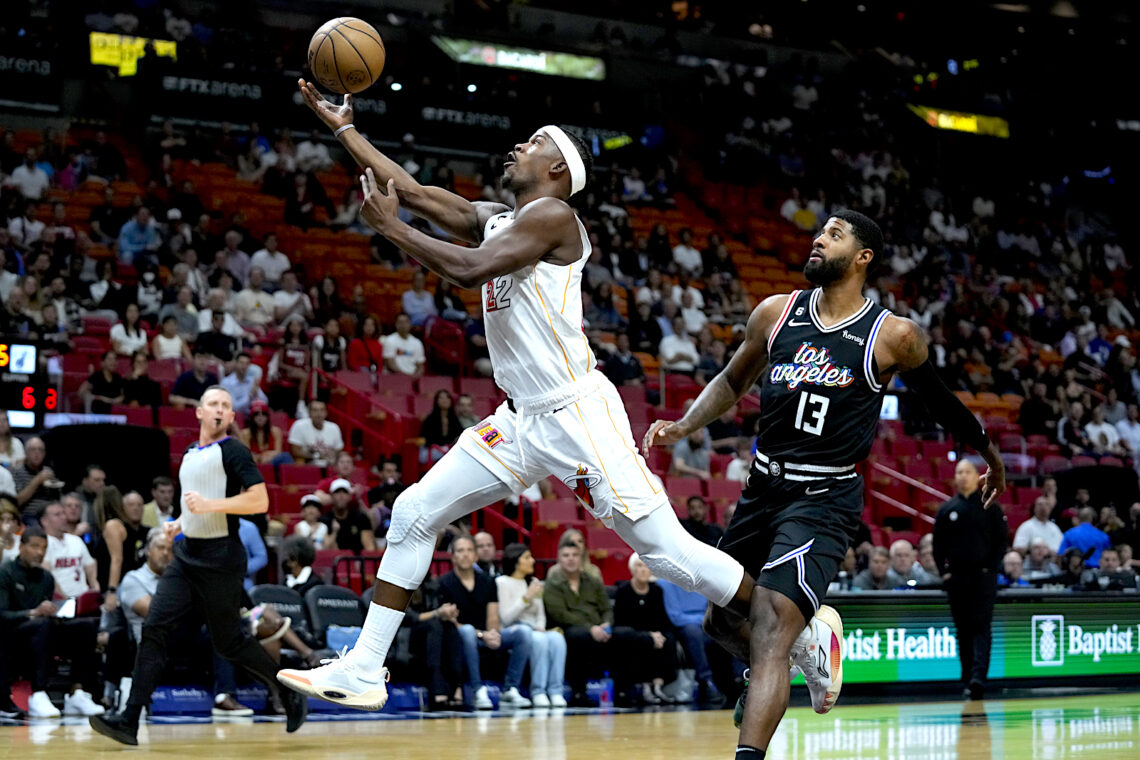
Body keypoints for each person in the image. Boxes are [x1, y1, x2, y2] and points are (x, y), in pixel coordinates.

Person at [278, 83, 753, 712]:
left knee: (667, 553)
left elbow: (470, 268)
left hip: (577, 411)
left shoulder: (556, 218)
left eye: (531, 144)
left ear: (557, 168)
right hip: (523, 418)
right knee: (415, 511)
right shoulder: (501, 218)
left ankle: (796, 623)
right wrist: (345, 131)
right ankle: (365, 667)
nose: (516, 148)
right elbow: (415, 192)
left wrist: (392, 230)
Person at [643, 210, 1005, 752]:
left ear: (863, 258)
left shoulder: (892, 335)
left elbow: (940, 400)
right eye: (820, 231)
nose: (818, 239)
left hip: (824, 496)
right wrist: (685, 424)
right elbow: (732, 379)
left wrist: (989, 454)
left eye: (834, 235)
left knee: (767, 626)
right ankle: (808, 645)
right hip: (763, 487)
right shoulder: (775, 313)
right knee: (720, 622)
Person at [89, 387, 307, 745]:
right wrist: (178, 523)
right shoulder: (190, 453)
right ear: (199, 413)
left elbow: (259, 498)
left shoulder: (234, 450)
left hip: (221, 559)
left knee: (230, 643)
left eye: (226, 405)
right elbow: (192, 506)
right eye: (213, 404)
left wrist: (211, 507)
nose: (220, 409)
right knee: (154, 628)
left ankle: (287, 689)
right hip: (187, 556)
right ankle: (129, 718)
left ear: (232, 418)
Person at [1, 527, 105, 720]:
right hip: (11, 634)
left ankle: (77, 693)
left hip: (43, 630)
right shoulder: (5, 572)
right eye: (34, 547)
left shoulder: (47, 578)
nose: (40, 552)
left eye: (44, 548)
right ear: (21, 547)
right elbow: (2, 614)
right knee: (42, 625)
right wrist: (33, 613)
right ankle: (38, 694)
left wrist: (57, 612)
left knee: (86, 626)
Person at [933, 460, 1008, 701]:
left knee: (981, 626)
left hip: (983, 579)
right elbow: (937, 547)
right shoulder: (947, 509)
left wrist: (991, 569)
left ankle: (978, 679)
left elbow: (1001, 542)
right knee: (963, 630)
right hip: (957, 579)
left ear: (978, 476)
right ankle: (967, 678)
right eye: (959, 472)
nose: (963, 476)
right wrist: (943, 572)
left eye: (967, 472)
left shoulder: (990, 507)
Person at [437, 535, 532, 709]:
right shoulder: (443, 583)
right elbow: (454, 623)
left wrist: (493, 633)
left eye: (469, 550)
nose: (465, 555)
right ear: (453, 556)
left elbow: (493, 616)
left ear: (475, 556)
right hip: (462, 637)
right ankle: (477, 690)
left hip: (485, 635)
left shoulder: (488, 582)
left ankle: (510, 689)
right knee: (466, 631)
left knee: (523, 632)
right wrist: (481, 634)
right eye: (460, 551)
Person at [495, 543, 567, 707]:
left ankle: (556, 690)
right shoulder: (502, 582)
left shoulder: (534, 582)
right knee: (538, 639)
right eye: (527, 557)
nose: (532, 561)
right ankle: (538, 691)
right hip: (515, 630)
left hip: (535, 628)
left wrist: (541, 626)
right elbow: (506, 617)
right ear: (515, 561)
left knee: (557, 638)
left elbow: (540, 613)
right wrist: (526, 598)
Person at [614, 554, 678, 706]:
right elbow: (621, 622)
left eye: (646, 566)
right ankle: (645, 686)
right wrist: (648, 635)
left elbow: (662, 618)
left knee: (668, 638)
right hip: (632, 634)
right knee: (644, 640)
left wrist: (659, 636)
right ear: (632, 569)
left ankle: (658, 686)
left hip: (654, 632)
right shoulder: (623, 590)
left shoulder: (657, 591)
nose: (643, 570)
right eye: (639, 566)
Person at [92, 489, 149, 610]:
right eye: (131, 505)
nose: (136, 508)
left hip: (121, 589)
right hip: (118, 589)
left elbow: (117, 559)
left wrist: (112, 591)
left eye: (139, 505)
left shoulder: (113, 525)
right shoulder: (116, 526)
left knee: (113, 627)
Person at [40, 501, 99, 598]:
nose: (63, 517)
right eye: (57, 515)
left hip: (82, 597)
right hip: (57, 599)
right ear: (44, 521)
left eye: (63, 513)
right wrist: (65, 599)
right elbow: (47, 576)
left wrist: (95, 586)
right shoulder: (42, 543)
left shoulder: (76, 540)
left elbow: (90, 564)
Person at [321, 479, 376, 553]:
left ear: (350, 496)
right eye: (337, 492)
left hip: (358, 561)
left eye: (345, 492)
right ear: (331, 496)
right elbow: (325, 548)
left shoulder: (361, 518)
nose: (341, 496)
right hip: (334, 560)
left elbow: (369, 547)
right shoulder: (324, 520)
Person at [287, 398, 343, 467]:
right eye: (315, 410)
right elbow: (294, 451)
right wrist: (317, 456)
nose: (319, 414)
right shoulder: (299, 425)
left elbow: (339, 450)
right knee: (299, 461)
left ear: (326, 412)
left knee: (343, 460)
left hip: (329, 464)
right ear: (309, 412)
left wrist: (331, 456)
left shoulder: (334, 427)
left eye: (322, 410)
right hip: (308, 464)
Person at [13, 437, 56, 523]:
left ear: (44, 454)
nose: (37, 453)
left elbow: (56, 498)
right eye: (33, 450)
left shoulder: (48, 471)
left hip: (49, 515)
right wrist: (37, 481)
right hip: (28, 516)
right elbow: (17, 502)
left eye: (40, 450)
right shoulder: (17, 472)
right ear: (26, 453)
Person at [240, 400, 291, 466]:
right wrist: (261, 457)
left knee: (285, 456)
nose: (260, 417)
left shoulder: (276, 431)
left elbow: (278, 452)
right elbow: (246, 454)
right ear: (252, 417)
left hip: (271, 462)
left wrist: (264, 456)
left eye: (263, 414)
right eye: (256, 414)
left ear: (267, 417)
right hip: (252, 464)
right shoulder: (245, 433)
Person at [419, 390, 461, 464]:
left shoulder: (454, 419)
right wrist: (442, 447)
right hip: (429, 451)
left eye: (447, 397)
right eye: (441, 398)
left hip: (447, 450)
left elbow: (459, 434)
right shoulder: (430, 419)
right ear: (436, 401)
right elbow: (426, 440)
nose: (444, 400)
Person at [220, 352, 268, 416]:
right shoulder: (226, 382)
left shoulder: (251, 381)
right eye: (241, 363)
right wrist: (250, 396)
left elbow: (265, 402)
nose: (244, 366)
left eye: (247, 364)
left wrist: (256, 391)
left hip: (252, 417)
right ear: (236, 363)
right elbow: (233, 407)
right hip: (234, 418)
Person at [80, 350, 125, 414]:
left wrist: (117, 400)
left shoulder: (118, 377)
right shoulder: (96, 376)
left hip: (114, 412)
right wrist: (98, 398)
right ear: (102, 362)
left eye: (115, 359)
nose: (113, 361)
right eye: (110, 359)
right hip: (97, 411)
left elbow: (123, 395)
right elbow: (81, 392)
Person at [383, 312, 426, 378]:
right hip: (394, 378)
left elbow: (420, 365)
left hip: (413, 378)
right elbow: (390, 363)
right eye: (400, 322)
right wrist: (405, 377)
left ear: (410, 324)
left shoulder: (417, 343)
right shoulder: (390, 340)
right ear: (396, 324)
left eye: (406, 322)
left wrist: (416, 376)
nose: (403, 325)